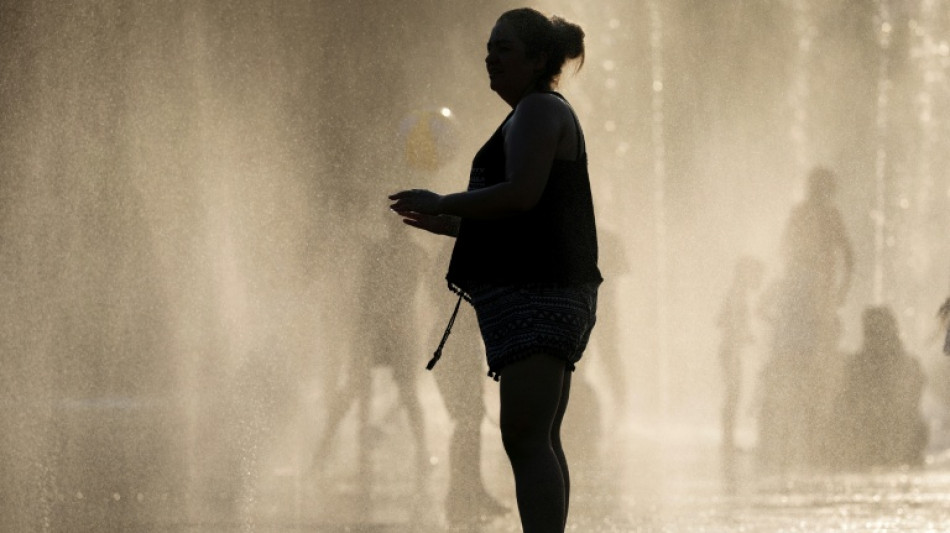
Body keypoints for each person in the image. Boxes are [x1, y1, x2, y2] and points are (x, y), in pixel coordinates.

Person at [389, 8, 601, 532]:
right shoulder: (533, 112)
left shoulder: (537, 111)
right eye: (489, 46)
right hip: (551, 286)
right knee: (539, 436)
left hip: (543, 292)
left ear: (535, 58)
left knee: (525, 436)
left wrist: (443, 201)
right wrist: (450, 224)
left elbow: (521, 196)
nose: (491, 56)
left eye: (503, 48)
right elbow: (527, 215)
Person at [832, 306, 927, 469]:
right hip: (888, 442)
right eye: (872, 331)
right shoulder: (909, 364)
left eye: (876, 330)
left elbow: (845, 404)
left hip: (890, 441)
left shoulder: (857, 365)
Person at [716, 256, 764, 452]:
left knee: (732, 395)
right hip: (731, 351)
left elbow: (719, 319)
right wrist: (742, 335)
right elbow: (726, 321)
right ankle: (727, 441)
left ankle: (728, 440)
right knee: (732, 395)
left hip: (729, 349)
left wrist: (744, 334)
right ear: (746, 274)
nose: (759, 281)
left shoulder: (736, 293)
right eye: (757, 276)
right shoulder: (737, 294)